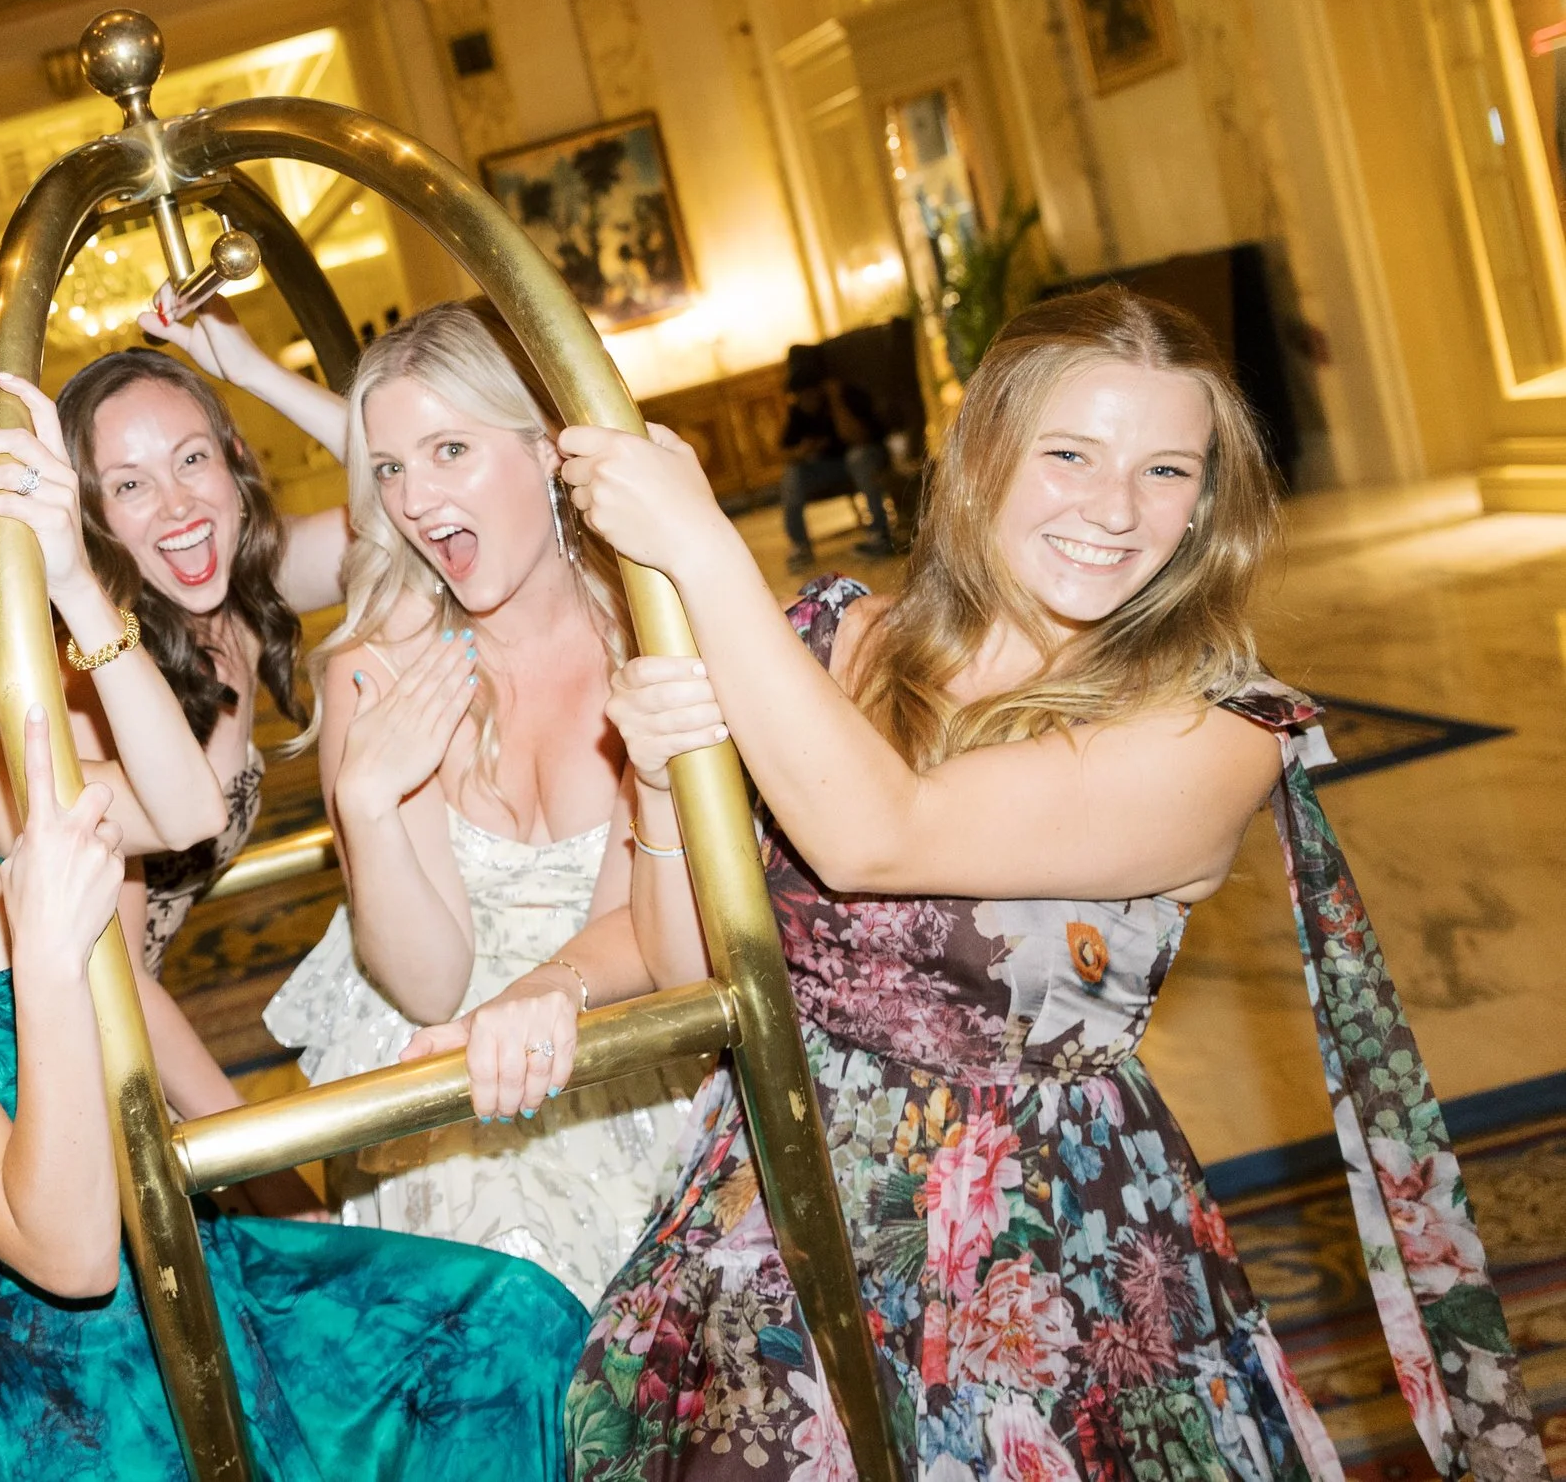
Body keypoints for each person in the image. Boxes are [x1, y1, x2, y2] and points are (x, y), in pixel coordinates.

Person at [416, 288, 1542, 1482]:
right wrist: (655, 788)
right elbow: (699, 968)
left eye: (1166, 470)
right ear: (980, 454)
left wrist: (701, 551)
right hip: (771, 1214)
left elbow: (875, 836)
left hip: (1033, 1249)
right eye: (1069, 454)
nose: (1114, 509)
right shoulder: (815, 644)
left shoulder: (1213, 731)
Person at [0, 526, 587, 1479]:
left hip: (179, 1269)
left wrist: (80, 586)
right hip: (35, 1397)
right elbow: (67, 1252)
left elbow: (186, 811)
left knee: (508, 1326)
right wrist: (43, 960)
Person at [261, 300, 702, 1306]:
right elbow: (426, 983)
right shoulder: (379, 669)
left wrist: (548, 987)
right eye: (389, 468)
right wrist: (366, 805)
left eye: (450, 449)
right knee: (490, 1258)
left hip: (630, 1017)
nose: (415, 499)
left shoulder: (657, 624)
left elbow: (654, 924)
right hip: (439, 1047)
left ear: (548, 445)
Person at [0, 296, 348, 1135]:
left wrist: (252, 370)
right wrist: (261, 1160)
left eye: (192, 459)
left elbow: (412, 499)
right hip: (57, 1069)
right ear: (88, 520)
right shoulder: (90, 694)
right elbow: (118, 978)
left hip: (136, 1045)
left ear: (235, 460)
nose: (177, 507)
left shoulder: (240, 600)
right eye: (131, 486)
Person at [779, 341, 895, 572]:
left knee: (857, 458)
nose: (805, 396)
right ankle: (800, 546)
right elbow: (784, 452)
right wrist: (802, 452)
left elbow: (860, 438)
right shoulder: (798, 410)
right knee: (793, 474)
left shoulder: (847, 395)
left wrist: (835, 401)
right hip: (831, 468)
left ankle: (880, 534)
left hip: (869, 457)